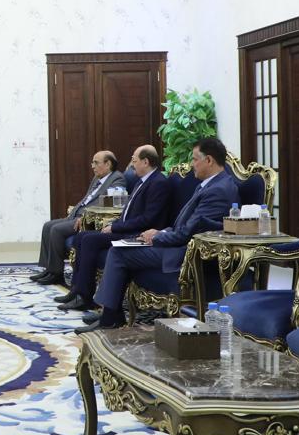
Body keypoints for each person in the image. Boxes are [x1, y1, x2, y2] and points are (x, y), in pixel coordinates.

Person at [77, 138, 237, 332]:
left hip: (182, 254)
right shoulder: (209, 185)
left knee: (118, 253)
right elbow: (185, 226)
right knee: (121, 247)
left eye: (195, 159)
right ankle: (111, 313)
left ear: (209, 160)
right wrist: (160, 232)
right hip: (174, 242)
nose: (192, 164)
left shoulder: (218, 190)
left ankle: (110, 317)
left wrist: (157, 236)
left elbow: (187, 234)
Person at [56, 145, 170, 310]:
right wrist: (114, 224)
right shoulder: (142, 181)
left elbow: (148, 219)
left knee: (89, 240)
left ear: (146, 162)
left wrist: (116, 227)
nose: (131, 165)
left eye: (134, 160)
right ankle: (77, 290)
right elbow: (129, 211)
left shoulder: (158, 183)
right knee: (82, 236)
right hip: (127, 229)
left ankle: (85, 297)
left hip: (138, 234)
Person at [31, 151, 125, 287]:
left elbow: (108, 203)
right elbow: (87, 199)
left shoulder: (117, 179)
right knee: (48, 225)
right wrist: (74, 211)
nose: (92, 166)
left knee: (56, 230)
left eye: (96, 162)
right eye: (92, 162)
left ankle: (57, 274)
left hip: (87, 220)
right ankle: (49, 269)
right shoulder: (97, 178)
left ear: (108, 164)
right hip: (77, 214)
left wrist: (85, 215)